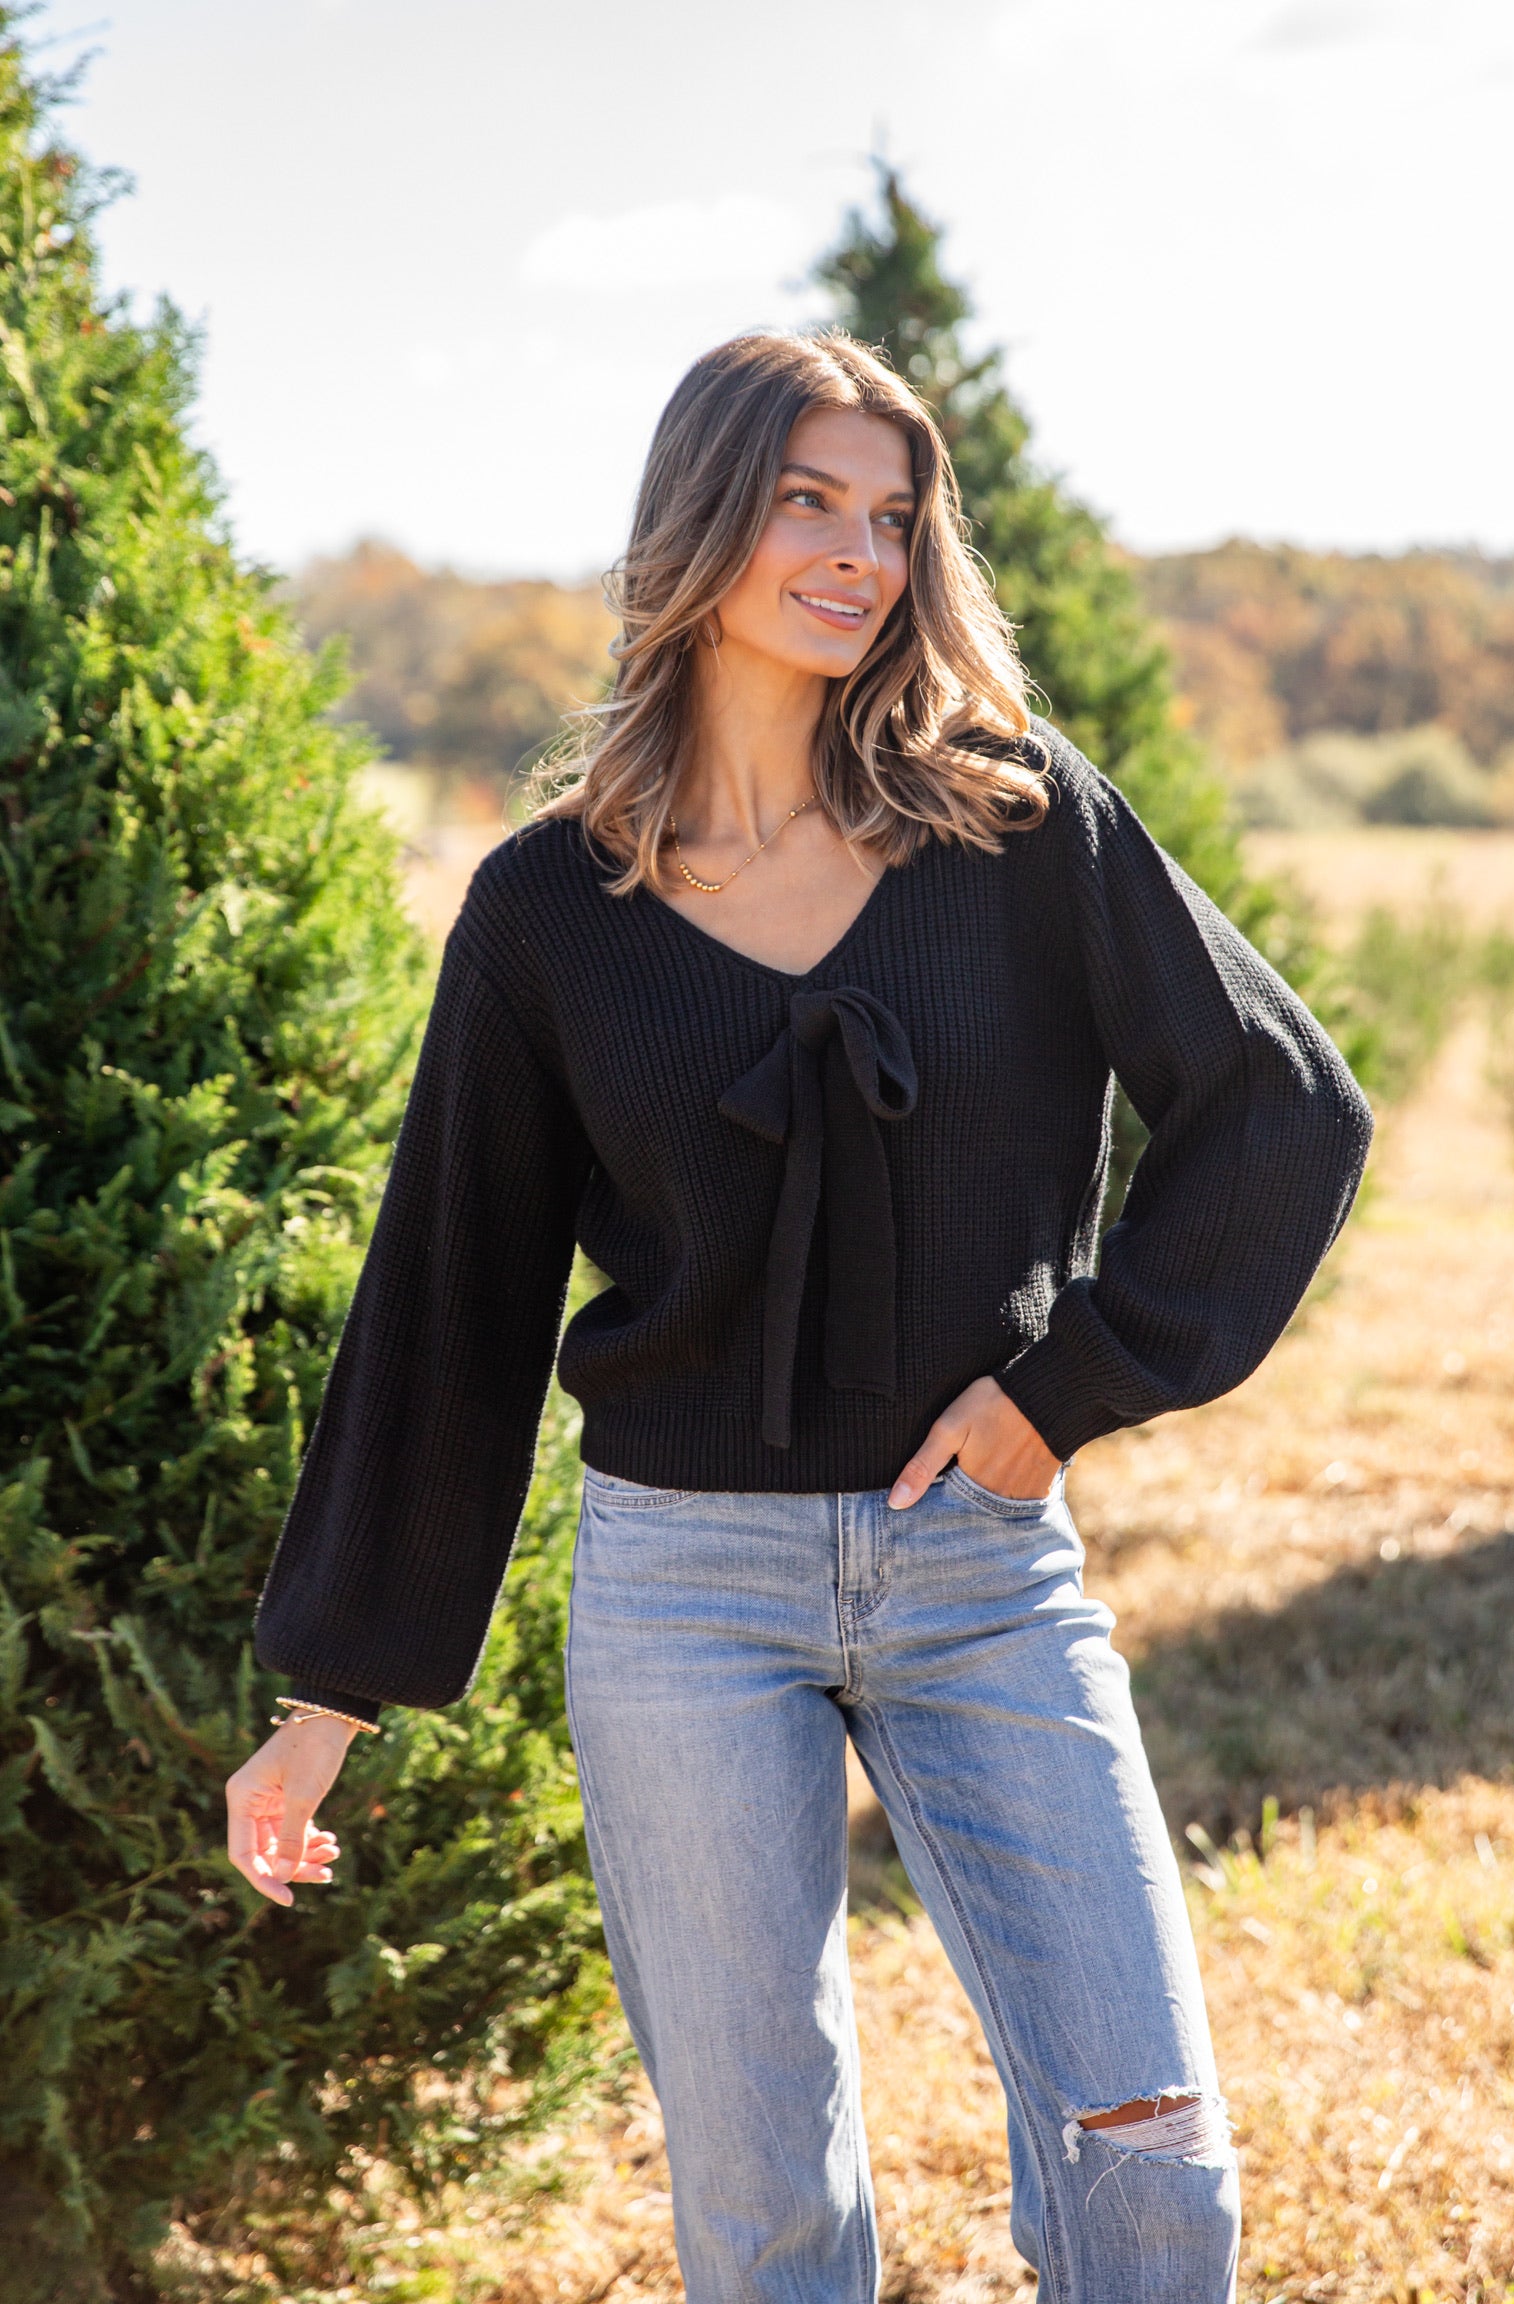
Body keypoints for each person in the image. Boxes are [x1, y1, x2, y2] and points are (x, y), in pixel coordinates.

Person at [228, 330, 1372, 2304]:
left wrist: (1068, 1391)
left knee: (1152, 2157)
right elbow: (452, 1298)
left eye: (893, 517)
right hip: (684, 1591)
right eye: (807, 504)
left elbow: (1284, 1108)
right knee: (765, 2213)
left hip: (981, 1568)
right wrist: (325, 1699)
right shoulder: (547, 911)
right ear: (700, 524)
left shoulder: (1019, 829)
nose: (860, 554)